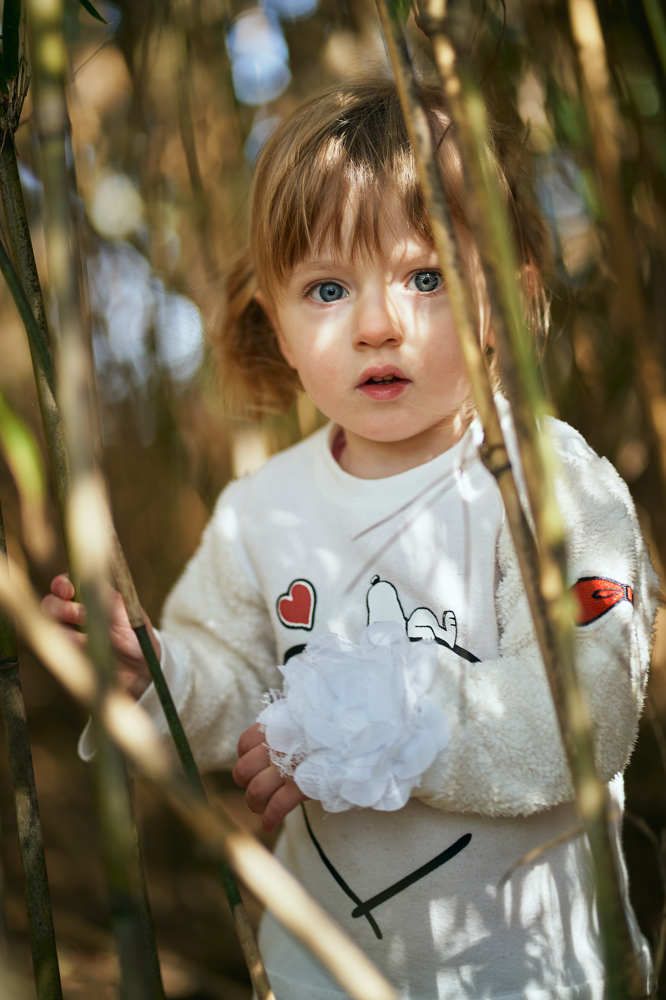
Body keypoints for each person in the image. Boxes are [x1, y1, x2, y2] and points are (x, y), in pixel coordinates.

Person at [43, 78, 658, 999]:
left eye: (428, 276)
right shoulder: (263, 510)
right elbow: (235, 690)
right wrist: (158, 676)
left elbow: (587, 713)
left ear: (510, 294)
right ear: (279, 328)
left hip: (533, 977)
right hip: (324, 971)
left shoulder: (548, 484)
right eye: (327, 289)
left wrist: (370, 721)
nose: (378, 324)